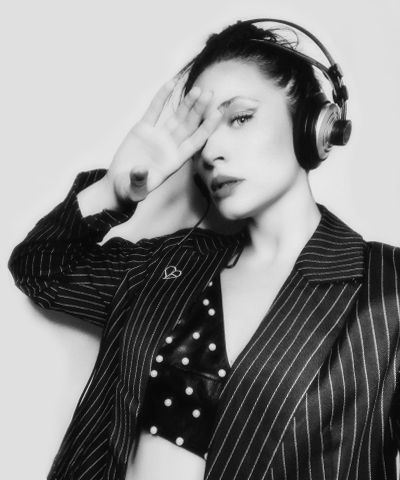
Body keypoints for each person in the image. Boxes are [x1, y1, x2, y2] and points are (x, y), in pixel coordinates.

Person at [8, 17, 400, 480]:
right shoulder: (170, 263)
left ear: (313, 124)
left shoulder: (386, 287)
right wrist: (113, 190)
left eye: (240, 118)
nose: (212, 152)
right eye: (201, 135)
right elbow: (41, 269)